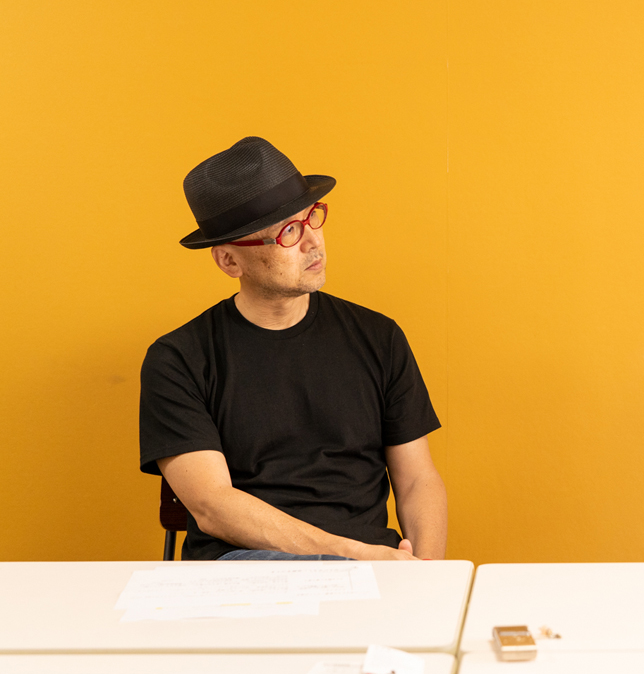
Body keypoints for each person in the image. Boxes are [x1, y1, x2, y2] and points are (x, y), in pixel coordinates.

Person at [139, 137, 447, 561]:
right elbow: (212, 506)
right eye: (288, 232)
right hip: (246, 565)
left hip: (373, 567)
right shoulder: (178, 359)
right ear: (230, 261)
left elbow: (417, 481)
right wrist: (353, 555)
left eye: (312, 217)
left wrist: (426, 577)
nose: (312, 242)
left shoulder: (379, 337)